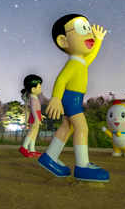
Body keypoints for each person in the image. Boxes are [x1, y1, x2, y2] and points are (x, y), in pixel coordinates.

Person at [37, 14, 109, 182]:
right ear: (63, 41)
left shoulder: (81, 62)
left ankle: (49, 157)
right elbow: (61, 80)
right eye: (81, 29)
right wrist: (55, 97)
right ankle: (82, 166)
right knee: (82, 128)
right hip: (71, 99)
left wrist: (98, 41)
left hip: (74, 98)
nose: (88, 33)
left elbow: (91, 57)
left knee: (67, 127)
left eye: (87, 28)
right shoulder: (73, 63)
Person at [19, 74, 43, 157]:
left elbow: (37, 109)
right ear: (33, 89)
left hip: (37, 117)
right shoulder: (33, 99)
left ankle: (32, 149)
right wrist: (37, 118)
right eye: (39, 87)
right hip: (34, 118)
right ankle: (24, 147)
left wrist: (40, 116)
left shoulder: (35, 98)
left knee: (34, 134)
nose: (41, 88)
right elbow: (33, 110)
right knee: (32, 133)